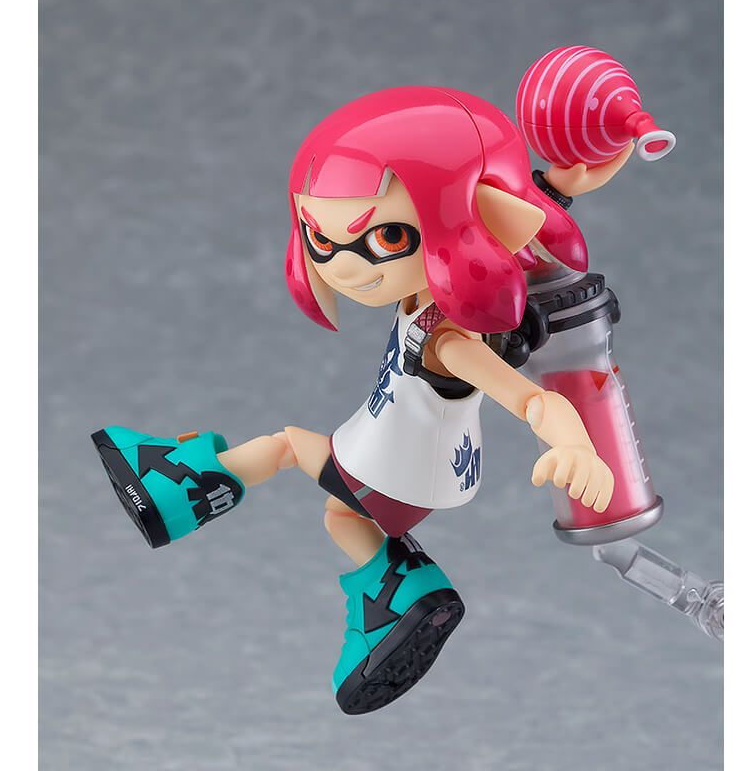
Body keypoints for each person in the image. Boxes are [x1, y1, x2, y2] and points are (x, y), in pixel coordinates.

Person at [92, 86, 631, 715]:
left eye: (388, 237)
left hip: (397, 466)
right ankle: (398, 588)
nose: (345, 268)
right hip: (404, 457)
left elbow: (530, 401)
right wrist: (560, 186)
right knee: (341, 516)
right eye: (323, 243)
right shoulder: (435, 299)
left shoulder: (449, 341)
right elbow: (505, 222)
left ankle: (178, 489)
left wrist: (575, 446)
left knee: (289, 449)